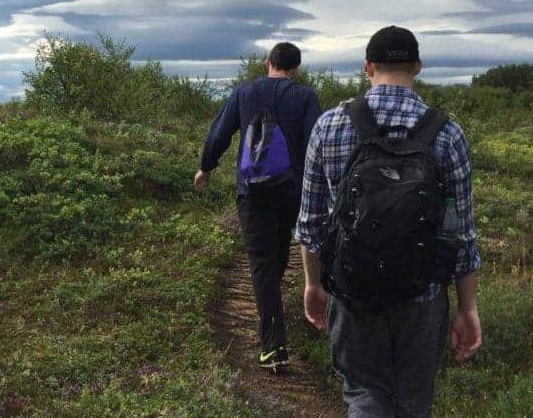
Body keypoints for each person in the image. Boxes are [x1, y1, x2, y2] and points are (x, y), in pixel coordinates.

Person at [296, 26, 482, 417]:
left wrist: (314, 284)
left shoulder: (329, 126)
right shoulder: (448, 134)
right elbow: (461, 236)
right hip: (422, 297)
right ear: (417, 67)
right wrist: (468, 309)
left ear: (368, 67)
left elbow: (311, 226)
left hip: (352, 293)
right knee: (413, 402)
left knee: (364, 396)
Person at [195, 41, 321, 369]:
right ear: (296, 68)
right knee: (278, 257)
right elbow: (314, 144)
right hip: (293, 190)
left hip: (252, 192)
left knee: (264, 264)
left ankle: (273, 345)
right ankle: (276, 331)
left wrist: (206, 166)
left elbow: (220, 131)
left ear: (268, 63)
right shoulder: (305, 97)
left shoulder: (245, 92)